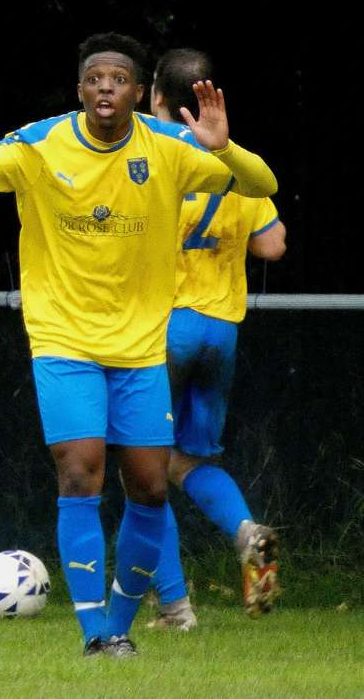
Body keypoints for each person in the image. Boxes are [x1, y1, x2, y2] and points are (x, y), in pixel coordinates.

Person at [0, 32, 277, 657]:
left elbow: (259, 183)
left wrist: (227, 148)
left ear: (139, 93)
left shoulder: (170, 146)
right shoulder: (39, 143)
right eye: (95, 79)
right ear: (81, 90)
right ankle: (95, 634)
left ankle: (120, 624)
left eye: (118, 79)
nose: (106, 89)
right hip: (64, 342)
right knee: (81, 473)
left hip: (144, 348)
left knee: (148, 486)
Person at [147, 48, 287, 630]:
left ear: (157, 97)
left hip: (166, 325)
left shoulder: (150, 159)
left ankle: (174, 605)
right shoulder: (232, 162)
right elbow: (273, 244)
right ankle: (246, 531)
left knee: (144, 467)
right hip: (220, 331)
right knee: (189, 460)